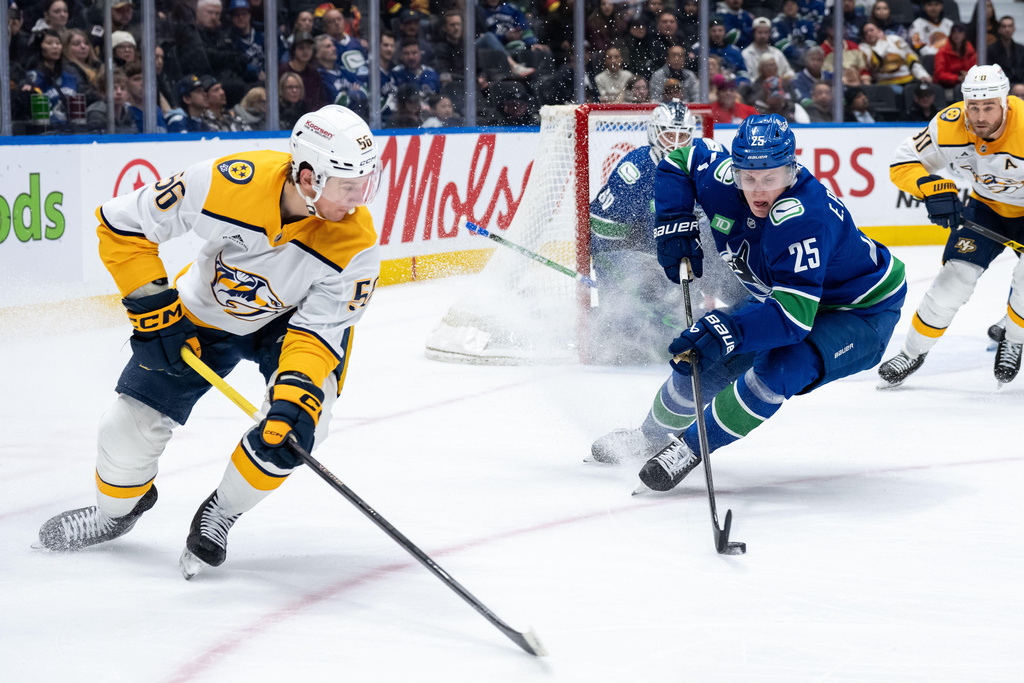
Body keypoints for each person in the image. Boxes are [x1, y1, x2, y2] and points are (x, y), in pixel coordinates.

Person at [37, 105, 383, 581]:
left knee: (301, 426)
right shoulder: (229, 181)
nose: (360, 198)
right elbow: (123, 224)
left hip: (290, 332)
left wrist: (294, 394)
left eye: (366, 182)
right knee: (124, 429)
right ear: (308, 175)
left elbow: (319, 333)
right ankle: (115, 511)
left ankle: (223, 511)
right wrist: (154, 311)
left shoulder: (358, 245)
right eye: (349, 184)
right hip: (205, 315)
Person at [590, 114, 907, 496]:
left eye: (770, 178)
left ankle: (689, 449)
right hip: (783, 298)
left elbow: (792, 318)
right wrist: (674, 221)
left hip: (858, 311)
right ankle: (649, 436)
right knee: (702, 362)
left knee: (780, 366)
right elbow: (679, 162)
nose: (758, 190)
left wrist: (730, 330)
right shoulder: (721, 178)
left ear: (791, 170)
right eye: (748, 177)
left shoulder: (804, 216)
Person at [879, 65, 1024, 387]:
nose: (980, 116)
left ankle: (1014, 339)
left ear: (1006, 103)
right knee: (952, 281)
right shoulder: (948, 125)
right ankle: (912, 352)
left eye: (989, 107)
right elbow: (902, 162)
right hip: (986, 208)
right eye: (974, 106)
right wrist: (931, 187)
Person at [587, 100, 747, 365]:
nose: (674, 144)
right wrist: (627, 274)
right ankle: (622, 335)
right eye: (668, 135)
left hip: (691, 254)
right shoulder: (635, 172)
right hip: (642, 256)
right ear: (653, 135)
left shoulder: (706, 161)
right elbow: (605, 234)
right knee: (634, 339)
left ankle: (750, 329)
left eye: (682, 136)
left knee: (739, 284)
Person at [859, 21, 931, 90]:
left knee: (925, 90)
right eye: (866, 33)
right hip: (886, 84)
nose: (869, 33)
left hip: (908, 78)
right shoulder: (864, 48)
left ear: (879, 30)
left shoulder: (895, 39)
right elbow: (875, 63)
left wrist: (922, 75)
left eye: (871, 30)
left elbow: (911, 59)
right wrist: (881, 42)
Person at [933, 24, 976, 90]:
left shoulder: (970, 51)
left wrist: (968, 75)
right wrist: (957, 78)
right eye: (954, 32)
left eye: (960, 32)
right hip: (946, 86)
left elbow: (975, 68)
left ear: (964, 34)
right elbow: (939, 74)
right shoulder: (942, 52)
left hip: (967, 83)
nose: (956, 34)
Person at [990, 16, 1024, 84]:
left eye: (1010, 26)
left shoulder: (1021, 49)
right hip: (1000, 84)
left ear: (1014, 29)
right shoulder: (991, 49)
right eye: (1004, 26)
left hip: (1020, 83)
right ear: (999, 29)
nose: (1007, 29)